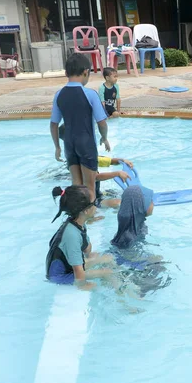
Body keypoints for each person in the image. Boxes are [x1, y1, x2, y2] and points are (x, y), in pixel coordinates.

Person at [50, 53, 111, 203]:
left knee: (76, 186)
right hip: (86, 143)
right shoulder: (90, 94)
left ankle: (77, 217)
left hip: (69, 144)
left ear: (66, 73)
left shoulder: (59, 95)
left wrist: (57, 146)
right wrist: (104, 137)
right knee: (89, 188)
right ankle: (90, 219)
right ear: (86, 72)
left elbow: (54, 124)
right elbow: (102, 122)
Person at [46, 185, 115, 290]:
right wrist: (88, 286)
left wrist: (94, 259)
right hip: (60, 276)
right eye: (95, 203)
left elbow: (87, 250)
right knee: (107, 273)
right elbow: (79, 277)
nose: (97, 205)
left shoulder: (77, 222)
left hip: (69, 267)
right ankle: (125, 303)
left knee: (109, 258)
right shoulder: (71, 235)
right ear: (86, 211)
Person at [109, 185, 170, 297]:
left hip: (131, 256)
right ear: (141, 206)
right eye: (150, 201)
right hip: (126, 262)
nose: (153, 203)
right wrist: (148, 259)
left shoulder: (137, 224)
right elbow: (127, 256)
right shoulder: (128, 235)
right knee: (161, 271)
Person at [58, 123, 130, 209]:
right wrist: (117, 173)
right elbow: (94, 177)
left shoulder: (85, 155)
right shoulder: (75, 163)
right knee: (119, 203)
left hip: (98, 194)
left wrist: (122, 161)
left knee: (125, 196)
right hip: (89, 201)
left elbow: (108, 161)